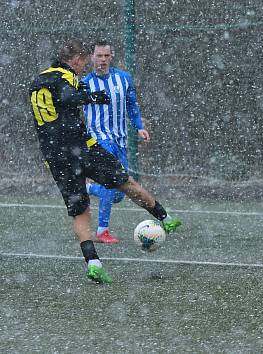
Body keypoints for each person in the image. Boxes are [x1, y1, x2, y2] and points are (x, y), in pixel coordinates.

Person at [28, 39, 182, 283]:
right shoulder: (64, 76)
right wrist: (87, 96)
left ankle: (93, 263)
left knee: (81, 211)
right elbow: (69, 95)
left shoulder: (37, 81)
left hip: (56, 157)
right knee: (125, 183)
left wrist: (84, 97)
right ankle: (165, 217)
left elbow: (54, 110)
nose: (84, 68)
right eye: (83, 63)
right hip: (81, 149)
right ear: (76, 60)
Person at [81, 40, 150, 244]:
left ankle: (88, 188)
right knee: (112, 183)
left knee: (119, 193)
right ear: (92, 57)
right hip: (99, 139)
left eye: (106, 56)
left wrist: (139, 126)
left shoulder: (124, 79)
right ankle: (102, 230)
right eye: (99, 56)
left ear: (111, 57)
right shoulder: (84, 84)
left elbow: (132, 105)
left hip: (120, 139)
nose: (102, 60)